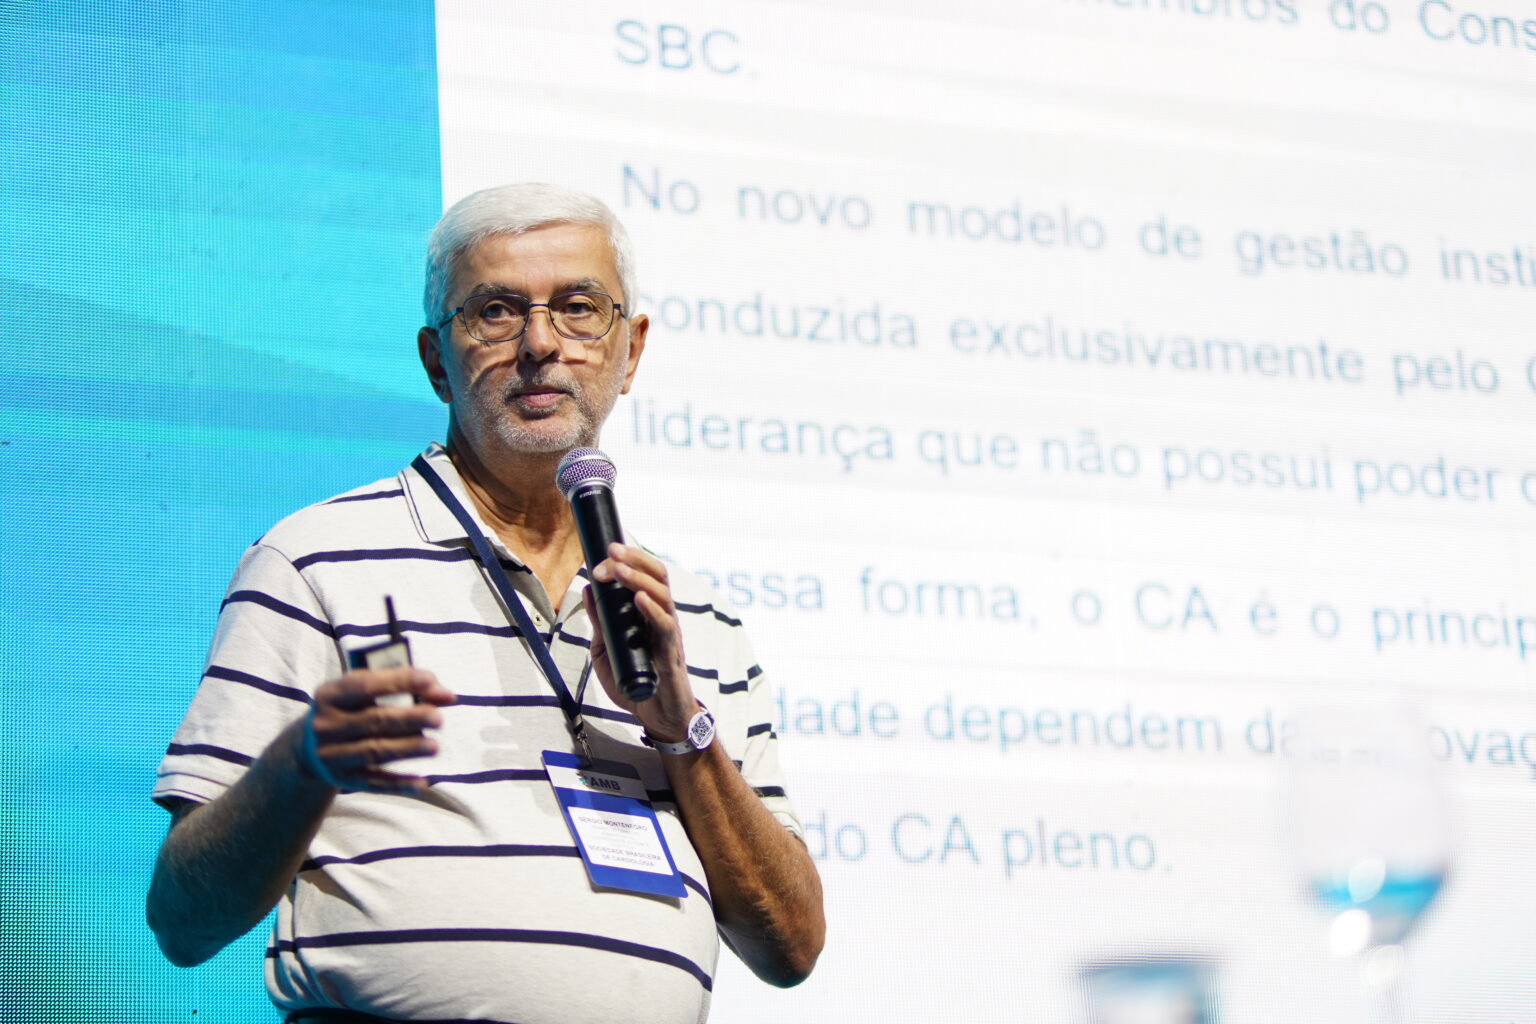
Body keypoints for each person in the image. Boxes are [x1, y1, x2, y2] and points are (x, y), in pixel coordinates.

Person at [146, 183, 825, 1023]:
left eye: (579, 308)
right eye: (496, 312)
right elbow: (184, 918)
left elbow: (791, 947)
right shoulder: (315, 561)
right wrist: (302, 765)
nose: (540, 343)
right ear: (437, 360)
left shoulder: (697, 619)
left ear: (631, 351)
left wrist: (681, 727)